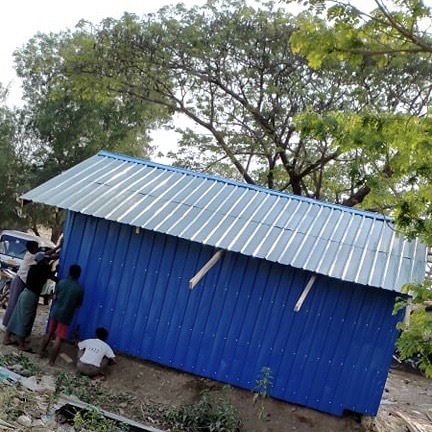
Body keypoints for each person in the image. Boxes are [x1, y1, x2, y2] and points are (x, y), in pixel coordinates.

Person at [3, 252, 56, 351]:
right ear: (43, 261)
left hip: (25, 293)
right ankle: (21, 343)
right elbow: (52, 276)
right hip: (31, 296)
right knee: (26, 319)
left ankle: (7, 338)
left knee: (16, 316)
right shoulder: (43, 269)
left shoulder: (33, 267)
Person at [40, 264, 84, 365]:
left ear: (69, 272)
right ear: (79, 275)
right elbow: (78, 305)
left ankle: (41, 352)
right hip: (66, 315)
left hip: (56, 311)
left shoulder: (61, 282)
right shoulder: (80, 289)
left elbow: (54, 297)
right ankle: (51, 362)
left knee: (49, 332)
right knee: (59, 338)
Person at [1, 240, 39, 328]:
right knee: (13, 303)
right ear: (34, 248)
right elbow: (43, 257)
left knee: (15, 303)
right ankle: (6, 325)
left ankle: (9, 325)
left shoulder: (30, 254)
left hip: (20, 280)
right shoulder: (31, 257)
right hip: (20, 280)